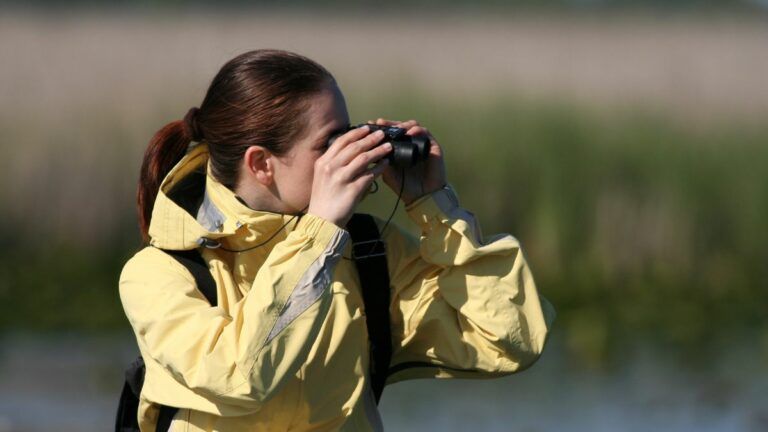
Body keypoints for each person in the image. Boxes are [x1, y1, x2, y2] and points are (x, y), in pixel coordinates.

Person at [119, 49, 555, 432]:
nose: (352, 152)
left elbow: (508, 342)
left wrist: (435, 207)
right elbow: (239, 376)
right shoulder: (160, 274)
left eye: (351, 132)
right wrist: (318, 233)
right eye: (330, 143)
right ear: (262, 164)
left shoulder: (364, 253)